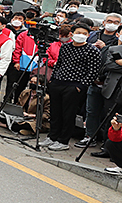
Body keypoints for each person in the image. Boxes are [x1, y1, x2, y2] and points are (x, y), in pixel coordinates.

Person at [42, 20, 101, 150]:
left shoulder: (92, 50)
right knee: (55, 112)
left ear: (88, 35)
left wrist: (81, 87)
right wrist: (52, 80)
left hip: (74, 86)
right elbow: (59, 64)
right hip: (58, 83)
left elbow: (93, 71)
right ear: (72, 33)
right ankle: (52, 136)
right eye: (78, 32)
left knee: (68, 114)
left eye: (84, 33)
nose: (81, 35)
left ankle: (63, 141)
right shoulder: (65, 47)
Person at [79, 13, 122, 148]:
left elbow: (110, 64)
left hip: (111, 84)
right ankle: (89, 136)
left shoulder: (118, 42)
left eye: (116, 22)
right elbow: (112, 63)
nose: (112, 24)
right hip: (93, 80)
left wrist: (105, 49)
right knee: (91, 110)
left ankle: (107, 142)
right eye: (109, 21)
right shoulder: (93, 36)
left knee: (109, 115)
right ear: (103, 22)